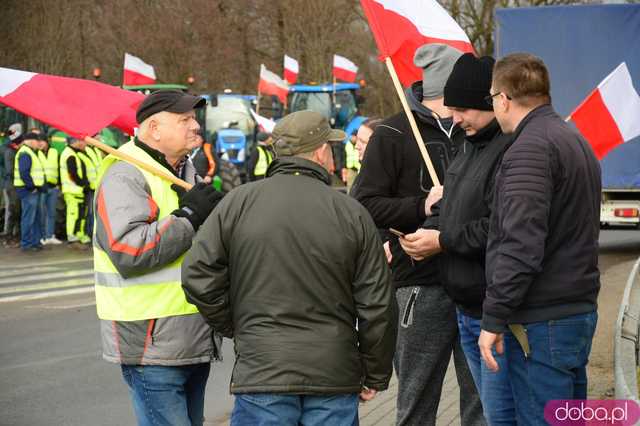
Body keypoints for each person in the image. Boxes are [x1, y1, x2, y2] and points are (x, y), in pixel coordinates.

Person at [182, 110, 398, 426]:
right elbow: (377, 304)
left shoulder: (238, 203)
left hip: (263, 368)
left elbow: (197, 274)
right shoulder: (350, 212)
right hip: (332, 372)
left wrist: (239, 325)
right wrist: (374, 373)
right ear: (321, 150)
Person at [351, 43, 484, 426]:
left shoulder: (479, 131)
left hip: (476, 282)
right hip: (419, 287)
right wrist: (422, 205)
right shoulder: (393, 132)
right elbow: (365, 204)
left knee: (481, 399)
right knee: (416, 398)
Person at [478, 53, 601, 425]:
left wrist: (493, 318)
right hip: (572, 313)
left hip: (543, 323)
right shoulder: (572, 138)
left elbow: (520, 245)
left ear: (502, 99)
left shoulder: (530, 149)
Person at [93, 90, 223, 426]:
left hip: (191, 335)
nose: (196, 126)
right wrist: (190, 216)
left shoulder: (184, 168)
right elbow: (128, 250)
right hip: (151, 342)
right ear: (154, 129)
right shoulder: (125, 173)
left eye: (194, 118)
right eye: (184, 120)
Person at [399, 53, 515, 425]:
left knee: (493, 414)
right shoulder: (470, 145)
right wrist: (427, 228)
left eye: (462, 109)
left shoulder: (510, 150)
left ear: (491, 103)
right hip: (465, 305)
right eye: (452, 108)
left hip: (491, 310)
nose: (454, 118)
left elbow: (498, 227)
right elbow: (452, 203)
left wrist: (442, 241)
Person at [13, 132, 46, 251]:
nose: (39, 143)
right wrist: (32, 187)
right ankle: (27, 244)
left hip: (31, 190)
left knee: (35, 217)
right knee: (29, 218)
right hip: (28, 191)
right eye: (38, 141)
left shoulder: (29, 152)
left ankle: (35, 242)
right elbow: (24, 173)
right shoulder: (25, 153)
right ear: (32, 141)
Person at [60, 137, 91, 244]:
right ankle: (72, 236)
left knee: (80, 214)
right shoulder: (70, 154)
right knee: (73, 214)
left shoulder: (74, 153)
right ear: (76, 142)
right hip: (73, 190)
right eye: (82, 141)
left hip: (77, 190)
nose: (84, 143)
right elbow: (72, 174)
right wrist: (82, 184)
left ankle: (79, 234)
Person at [37, 137, 63, 245]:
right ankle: (41, 237)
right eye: (38, 142)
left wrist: (59, 184)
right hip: (42, 187)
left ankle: (50, 236)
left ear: (47, 142)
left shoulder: (54, 152)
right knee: (41, 213)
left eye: (42, 141)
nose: (40, 143)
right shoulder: (35, 153)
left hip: (53, 186)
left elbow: (60, 168)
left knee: (51, 213)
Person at [3, 123, 23, 244]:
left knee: (17, 210)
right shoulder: (10, 152)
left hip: (15, 184)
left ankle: (15, 235)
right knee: (13, 210)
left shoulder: (12, 150)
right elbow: (10, 170)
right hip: (12, 185)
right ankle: (9, 236)